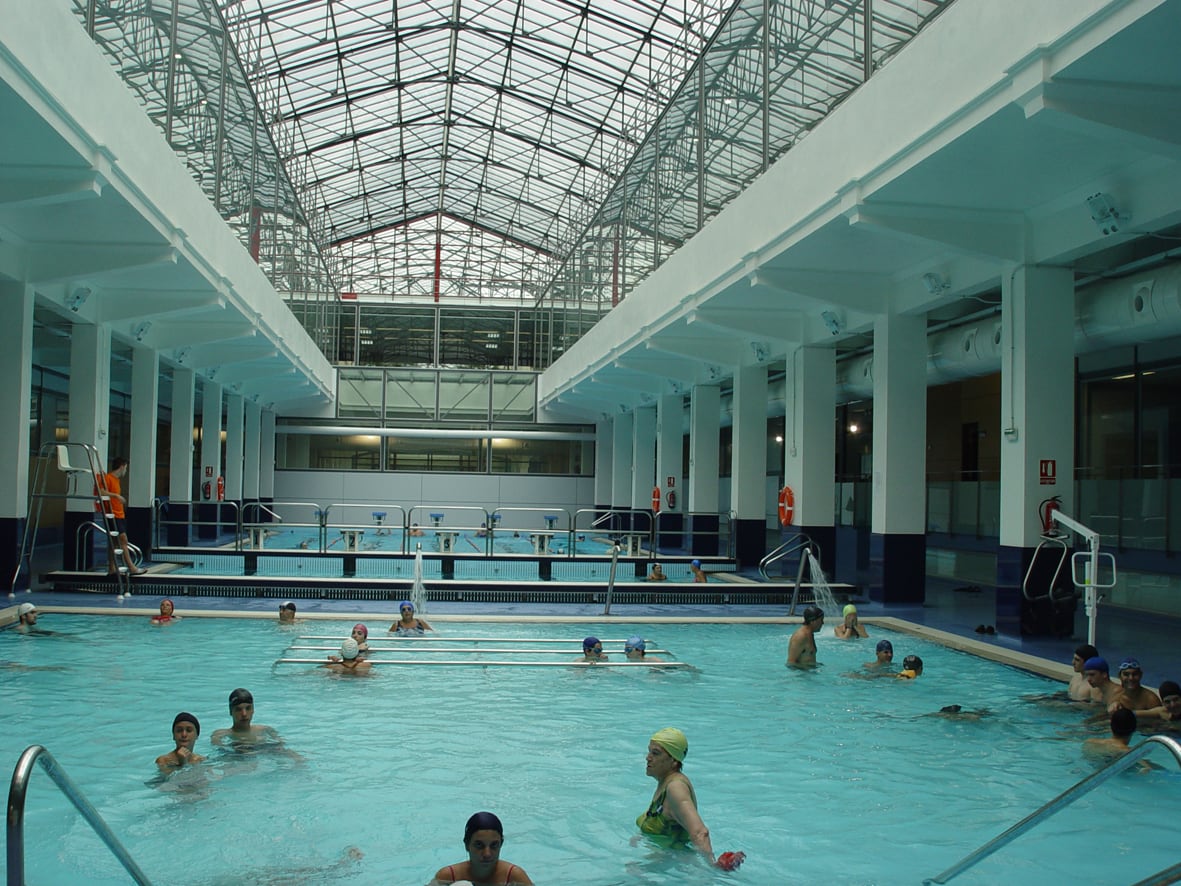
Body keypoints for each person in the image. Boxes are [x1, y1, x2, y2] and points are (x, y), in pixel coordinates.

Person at [637, 728, 744, 871]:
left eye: (655, 753)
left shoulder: (675, 788)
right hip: (664, 863)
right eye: (649, 751)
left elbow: (700, 832)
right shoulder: (665, 783)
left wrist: (712, 867)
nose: (648, 757)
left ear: (674, 761)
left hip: (671, 868)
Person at [430, 811, 532, 885]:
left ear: (501, 844)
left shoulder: (514, 877)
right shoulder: (448, 877)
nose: (487, 854)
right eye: (479, 845)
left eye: (494, 845)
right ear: (467, 845)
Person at [94, 456, 145, 576]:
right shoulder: (108, 478)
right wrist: (116, 496)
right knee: (123, 540)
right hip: (113, 515)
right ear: (121, 467)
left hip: (119, 515)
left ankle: (112, 569)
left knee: (114, 543)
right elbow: (100, 491)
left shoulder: (116, 480)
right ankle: (132, 568)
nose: (126, 471)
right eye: (126, 468)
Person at [211, 688, 285, 749]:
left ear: (253, 709)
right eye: (239, 709)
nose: (244, 714)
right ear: (230, 711)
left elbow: (282, 747)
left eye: (248, 708)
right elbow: (219, 752)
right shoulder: (219, 735)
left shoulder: (266, 730)